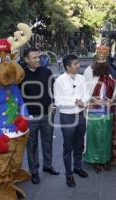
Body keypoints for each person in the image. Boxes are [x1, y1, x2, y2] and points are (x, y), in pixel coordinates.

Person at [19, 47, 59, 185]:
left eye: (38, 57)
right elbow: (17, 96)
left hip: (47, 115)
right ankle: (34, 171)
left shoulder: (46, 71)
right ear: (26, 59)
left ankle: (47, 165)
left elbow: (54, 89)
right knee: (32, 145)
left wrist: (54, 104)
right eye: (34, 58)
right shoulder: (21, 75)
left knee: (48, 142)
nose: (38, 60)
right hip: (31, 117)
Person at [54, 54, 90, 187]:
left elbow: (87, 93)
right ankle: (68, 174)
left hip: (80, 115)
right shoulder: (59, 81)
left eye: (78, 63)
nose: (78, 65)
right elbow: (58, 101)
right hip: (67, 116)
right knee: (68, 146)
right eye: (75, 64)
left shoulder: (81, 78)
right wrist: (76, 102)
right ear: (68, 66)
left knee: (79, 143)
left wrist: (83, 101)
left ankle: (78, 167)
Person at [83, 46, 115, 173]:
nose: (101, 61)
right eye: (99, 58)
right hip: (93, 109)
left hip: (107, 109)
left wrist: (111, 100)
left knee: (107, 135)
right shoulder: (88, 71)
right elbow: (84, 91)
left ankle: (105, 159)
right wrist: (93, 100)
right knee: (94, 135)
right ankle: (95, 160)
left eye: (104, 59)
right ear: (95, 58)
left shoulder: (110, 72)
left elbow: (114, 89)